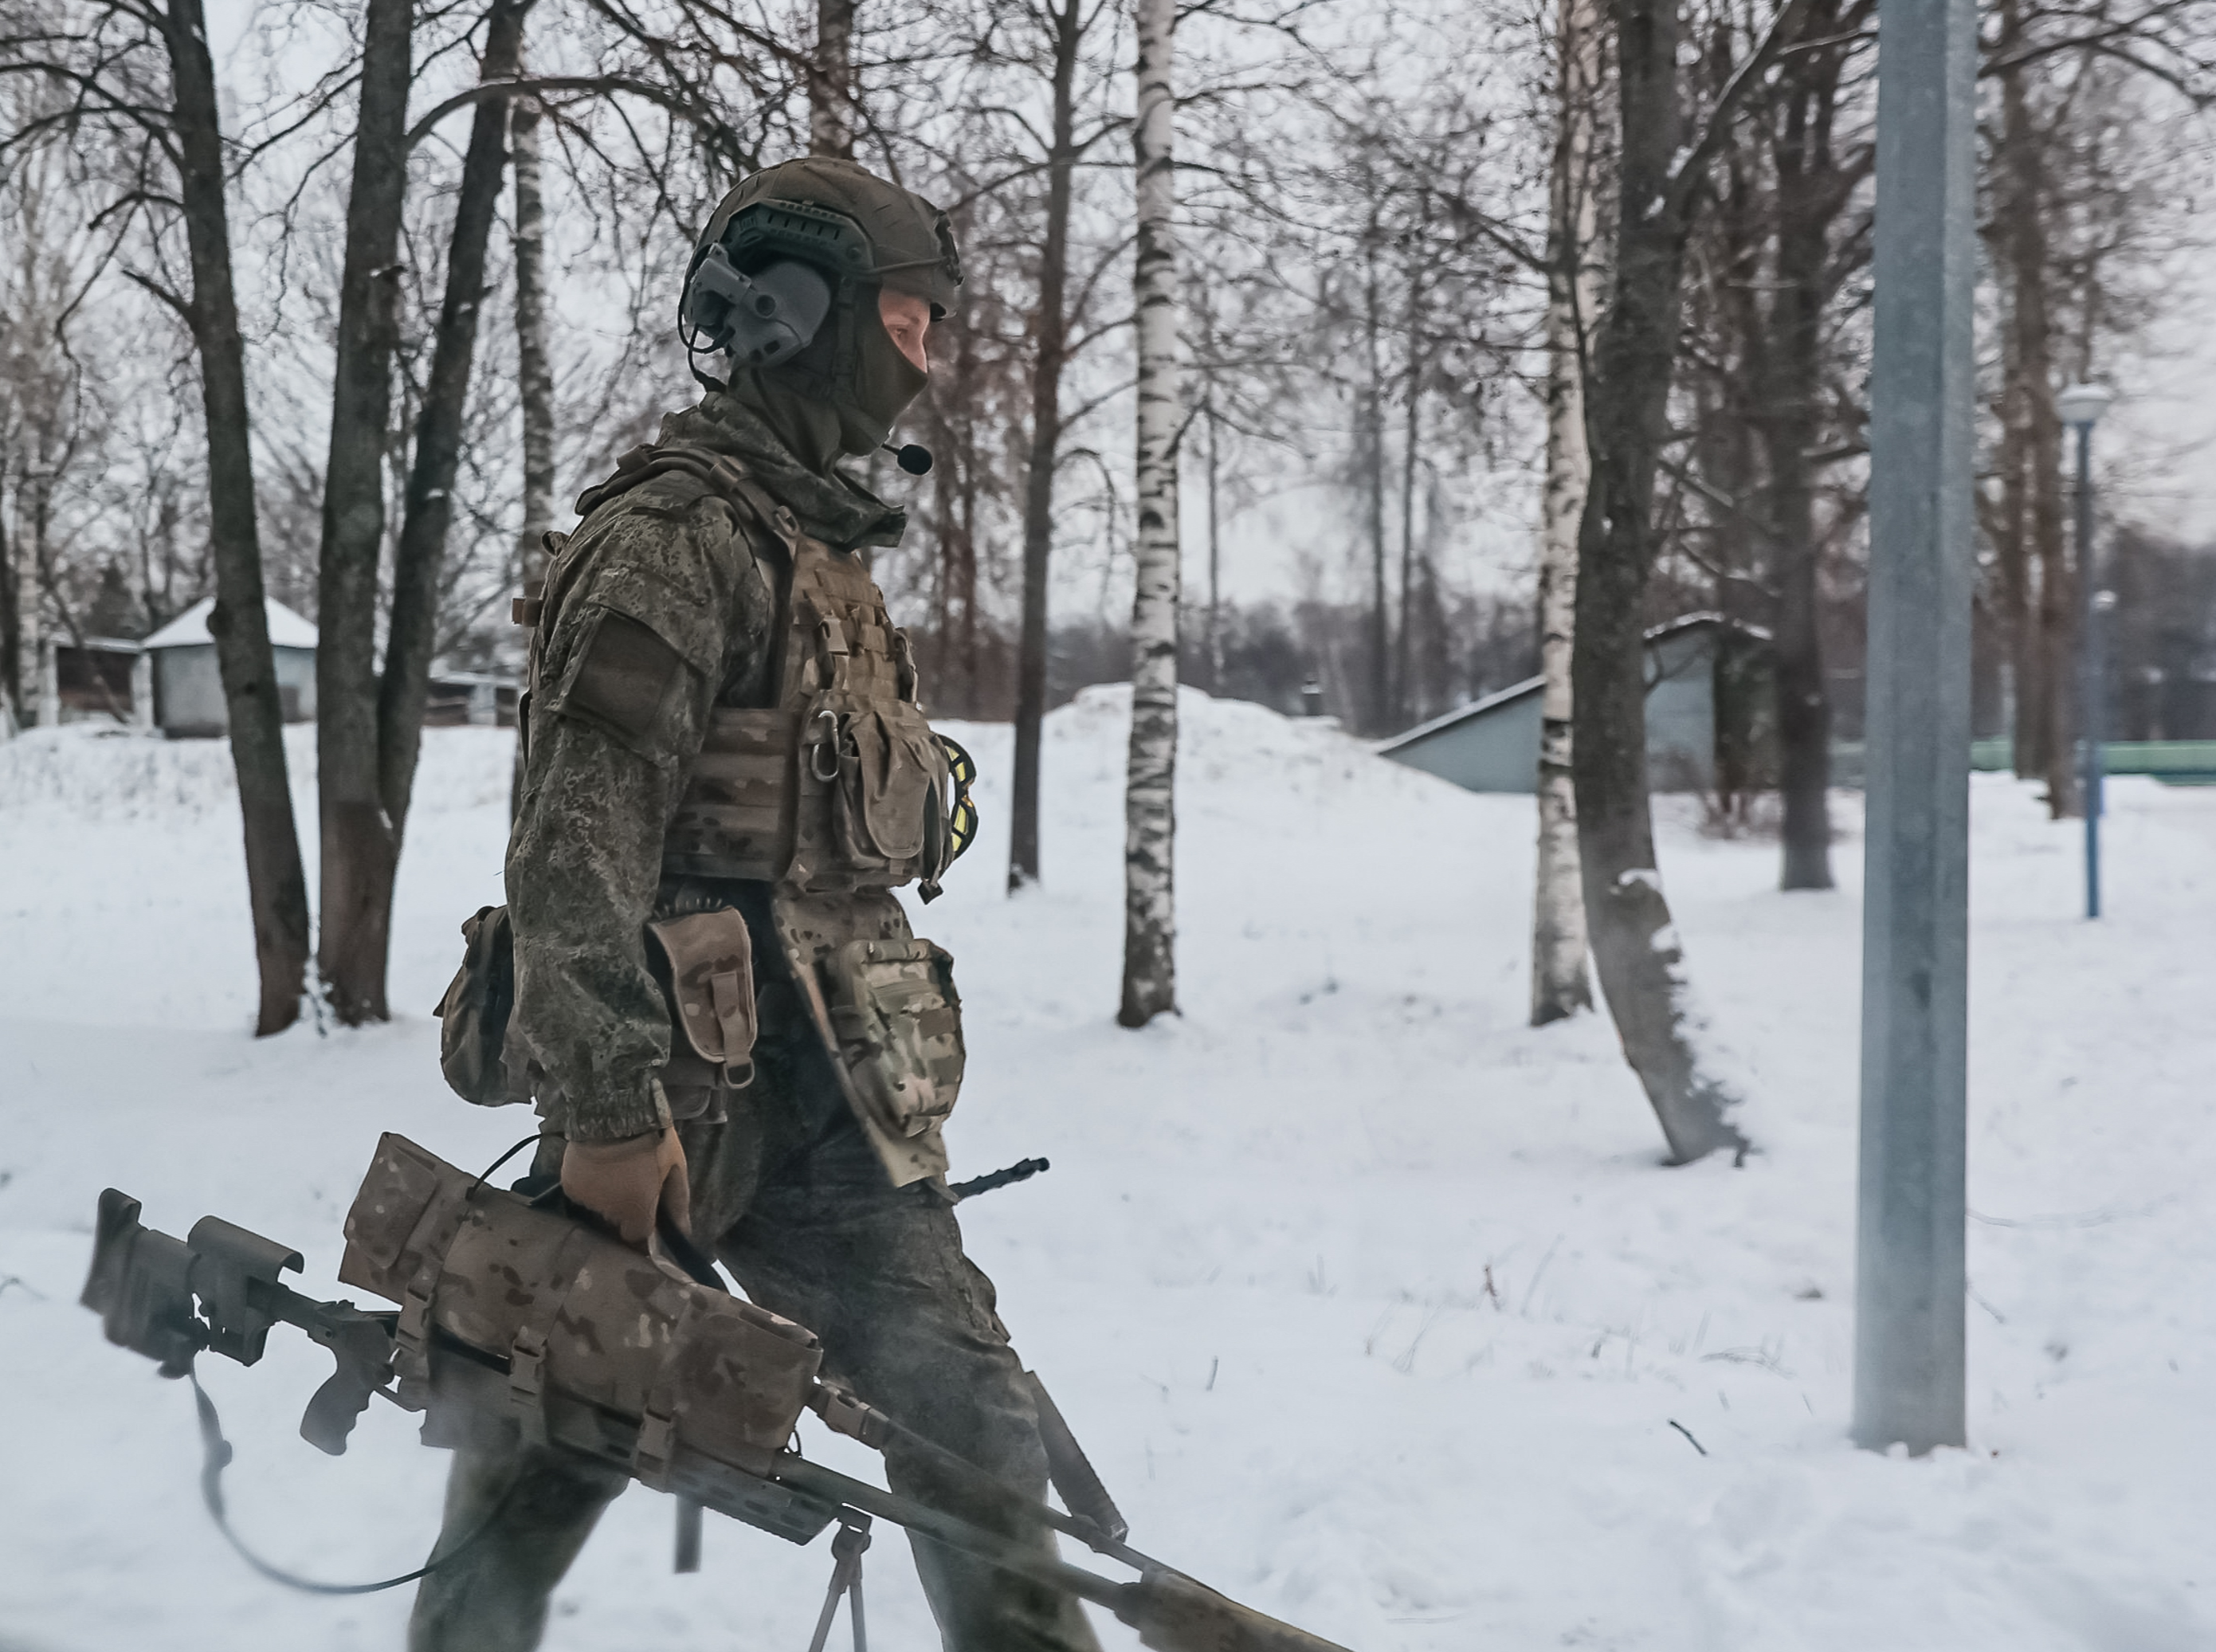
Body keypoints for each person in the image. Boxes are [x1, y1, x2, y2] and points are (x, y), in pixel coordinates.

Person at [408, 156, 1100, 1652]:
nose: (923, 361)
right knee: (554, 1442)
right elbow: (571, 848)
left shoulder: (821, 560)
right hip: (675, 1105)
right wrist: (603, 1113)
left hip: (836, 1113)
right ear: (800, 317)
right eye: (908, 323)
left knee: (975, 1428)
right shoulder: (676, 539)